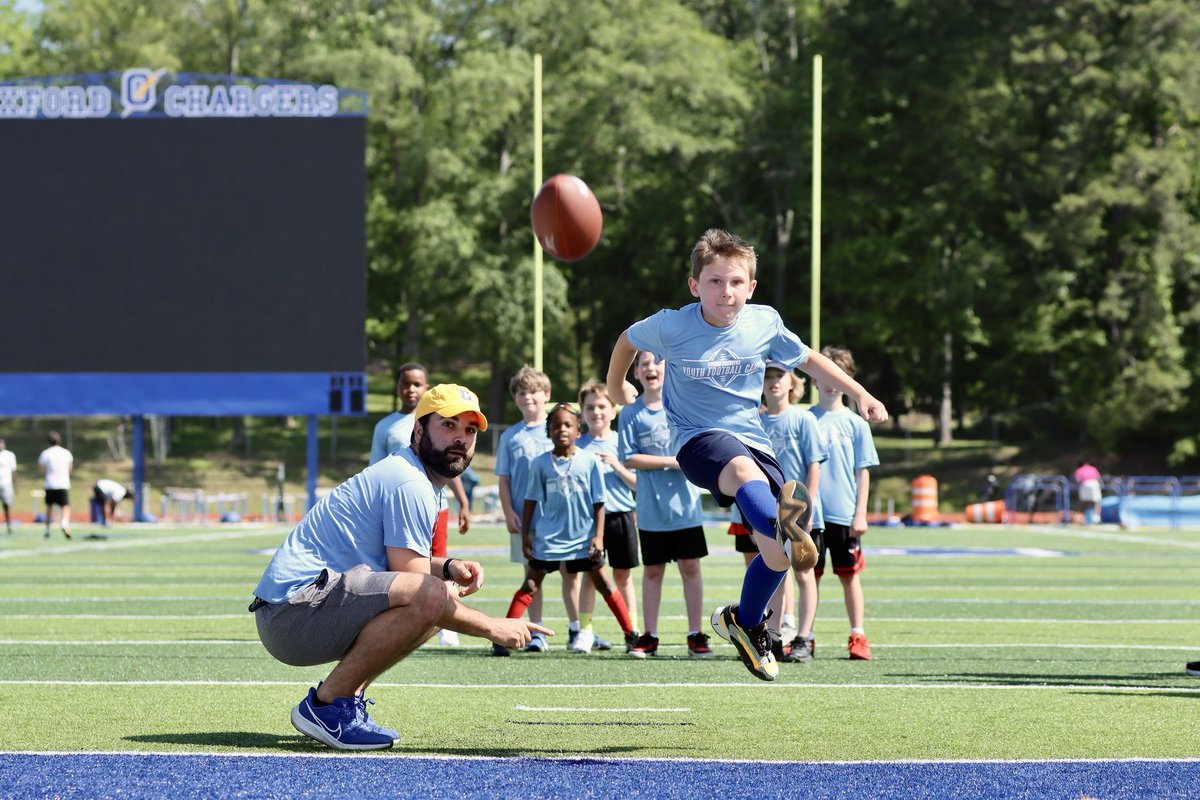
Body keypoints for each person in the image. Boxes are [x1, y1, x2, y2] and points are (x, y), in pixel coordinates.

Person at [607, 229, 887, 681]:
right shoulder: (672, 325)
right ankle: (780, 522)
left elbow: (810, 360)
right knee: (742, 473)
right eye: (715, 282)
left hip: (753, 440)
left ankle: (746, 621)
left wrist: (861, 394)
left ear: (751, 287)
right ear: (695, 285)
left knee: (779, 556)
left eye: (736, 282)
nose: (726, 292)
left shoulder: (764, 323)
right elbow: (626, 339)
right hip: (696, 440)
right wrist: (613, 385)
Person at [251, 384, 550, 750]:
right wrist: (494, 627)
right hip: (293, 615)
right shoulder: (410, 482)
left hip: (300, 607)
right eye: (448, 425)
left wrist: (447, 565)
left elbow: (402, 565)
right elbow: (418, 585)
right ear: (419, 430)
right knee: (432, 598)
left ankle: (341, 703)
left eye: (470, 430)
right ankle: (327, 706)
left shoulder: (414, 476)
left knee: (433, 598)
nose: (460, 438)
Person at [496, 403, 636, 656]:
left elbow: (599, 503)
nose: (562, 429)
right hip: (549, 539)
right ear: (548, 432)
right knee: (530, 584)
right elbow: (530, 502)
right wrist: (527, 534)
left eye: (568, 425)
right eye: (556, 425)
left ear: (578, 430)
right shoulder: (539, 463)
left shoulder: (589, 461)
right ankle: (501, 637)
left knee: (604, 583)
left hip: (582, 539)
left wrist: (599, 536)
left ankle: (630, 634)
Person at [617, 351, 713, 659]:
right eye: (643, 363)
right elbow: (629, 457)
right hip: (651, 510)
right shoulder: (631, 413)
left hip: (685, 507)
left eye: (656, 361)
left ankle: (696, 634)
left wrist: (684, 460)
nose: (650, 368)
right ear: (635, 374)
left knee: (690, 567)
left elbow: (700, 445)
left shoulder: (682, 405)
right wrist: (672, 461)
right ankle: (650, 635)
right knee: (653, 570)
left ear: (668, 368)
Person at [369, 363, 471, 646]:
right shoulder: (385, 426)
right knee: (401, 561)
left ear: (426, 388)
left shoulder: (438, 418)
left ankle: (446, 621)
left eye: (417, 384)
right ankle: (401, 614)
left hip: (434, 505)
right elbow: (377, 466)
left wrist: (463, 502)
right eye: (405, 384)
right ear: (398, 387)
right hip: (398, 506)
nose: (411, 389)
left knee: (438, 559)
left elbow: (450, 464)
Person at [809, 346, 880, 661]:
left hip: (843, 512)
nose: (830, 380)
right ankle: (804, 634)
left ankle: (858, 634)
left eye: (838, 373)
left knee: (849, 576)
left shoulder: (856, 424)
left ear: (848, 378)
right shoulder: (805, 419)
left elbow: (862, 472)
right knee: (809, 577)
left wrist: (860, 513)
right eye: (825, 372)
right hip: (811, 515)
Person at [759, 363, 826, 664]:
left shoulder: (803, 419)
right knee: (775, 569)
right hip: (769, 512)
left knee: (803, 570)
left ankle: (804, 637)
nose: (773, 382)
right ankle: (773, 636)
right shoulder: (755, 421)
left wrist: (807, 507)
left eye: (779, 376)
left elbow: (814, 466)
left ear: (792, 383)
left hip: (799, 512)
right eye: (768, 377)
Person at [494, 365, 555, 653]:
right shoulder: (510, 437)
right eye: (521, 393)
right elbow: (503, 479)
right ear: (515, 398)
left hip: (558, 517)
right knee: (531, 576)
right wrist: (508, 512)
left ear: (546, 395)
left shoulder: (558, 429)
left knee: (573, 574)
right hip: (525, 519)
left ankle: (580, 629)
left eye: (533, 392)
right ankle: (537, 630)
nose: (528, 397)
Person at [577, 381, 642, 652]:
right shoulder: (577, 445)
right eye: (590, 407)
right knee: (590, 578)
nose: (596, 412)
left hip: (622, 516)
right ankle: (585, 630)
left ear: (613, 410)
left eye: (602, 406)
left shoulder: (622, 442)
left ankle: (633, 631)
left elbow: (637, 484)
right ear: (582, 412)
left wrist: (616, 465)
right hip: (589, 521)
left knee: (623, 577)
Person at [38, 431, 74, 540]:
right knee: (65, 506)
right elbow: (69, 469)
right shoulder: (66, 453)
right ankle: (64, 523)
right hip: (63, 483)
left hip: (50, 484)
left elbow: (41, 470)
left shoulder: (45, 453)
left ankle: (47, 530)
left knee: (49, 507)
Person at [1074, 461, 1102, 525]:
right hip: (1094, 483)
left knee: (1083, 502)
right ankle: (1097, 518)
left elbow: (1077, 480)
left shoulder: (1079, 470)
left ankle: (1082, 518)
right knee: (1097, 501)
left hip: (1084, 484)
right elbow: (1098, 477)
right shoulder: (1093, 468)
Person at [0, 438, 15, 535]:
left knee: (6, 506)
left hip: (6, 484)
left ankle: (9, 526)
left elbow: (14, 471)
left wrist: (15, 484)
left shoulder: (10, 455)